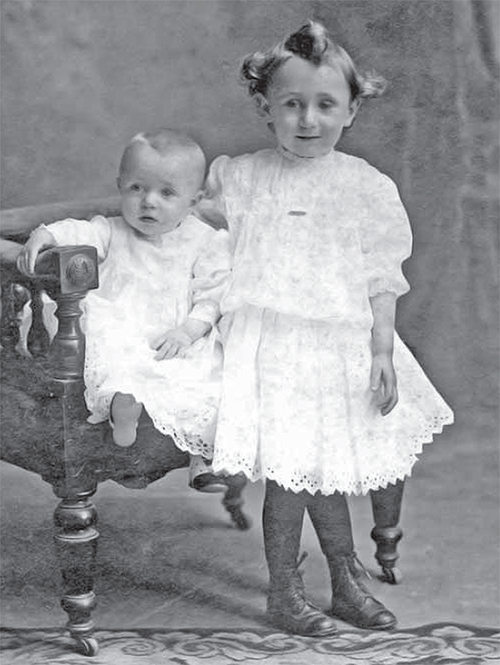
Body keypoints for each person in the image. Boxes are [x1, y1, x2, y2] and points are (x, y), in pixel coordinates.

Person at [199, 21, 454, 635]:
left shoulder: (365, 187)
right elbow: (194, 246)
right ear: (266, 108)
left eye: (324, 105)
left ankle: (344, 579)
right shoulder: (241, 176)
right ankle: (286, 592)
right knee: (294, 472)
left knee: (325, 466)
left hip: (338, 345)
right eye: (291, 104)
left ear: (351, 110)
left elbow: (380, 278)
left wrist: (383, 351)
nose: (307, 120)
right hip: (269, 346)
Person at [17, 128, 231, 493]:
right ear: (120, 186)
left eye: (166, 193)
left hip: (174, 338)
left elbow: (213, 295)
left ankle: (205, 461)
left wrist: (189, 331)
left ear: (193, 201)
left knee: (213, 379)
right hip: (128, 331)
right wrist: (47, 235)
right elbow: (79, 231)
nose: (148, 202)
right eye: (136, 188)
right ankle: (122, 401)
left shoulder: (207, 241)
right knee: (102, 330)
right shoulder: (111, 230)